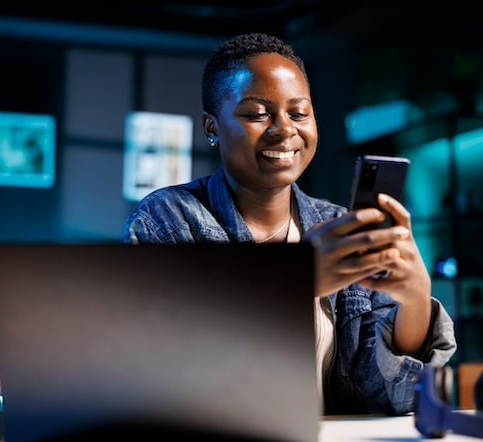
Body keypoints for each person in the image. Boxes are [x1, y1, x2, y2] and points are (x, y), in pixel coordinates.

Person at [123, 32, 456, 415]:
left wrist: (414, 301)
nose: (284, 129)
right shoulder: (166, 220)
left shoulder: (336, 226)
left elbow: (386, 397)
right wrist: (292, 281)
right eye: (257, 114)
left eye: (298, 113)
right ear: (212, 127)